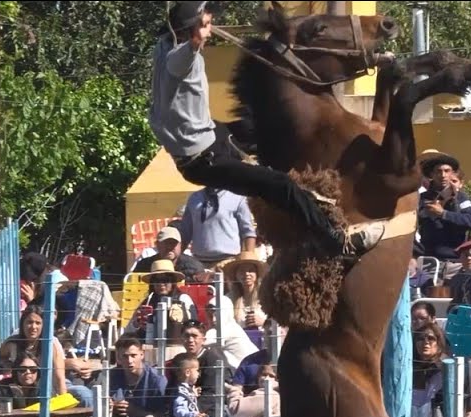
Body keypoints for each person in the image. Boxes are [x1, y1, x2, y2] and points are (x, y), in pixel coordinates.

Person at [149, 1, 383, 255]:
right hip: (204, 161)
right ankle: (335, 240)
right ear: (188, 32)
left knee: (259, 129)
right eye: (205, 26)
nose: (210, 29)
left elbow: (180, 35)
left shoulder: (163, 48)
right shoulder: (178, 58)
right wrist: (195, 41)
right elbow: (182, 59)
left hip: (210, 137)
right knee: (280, 185)